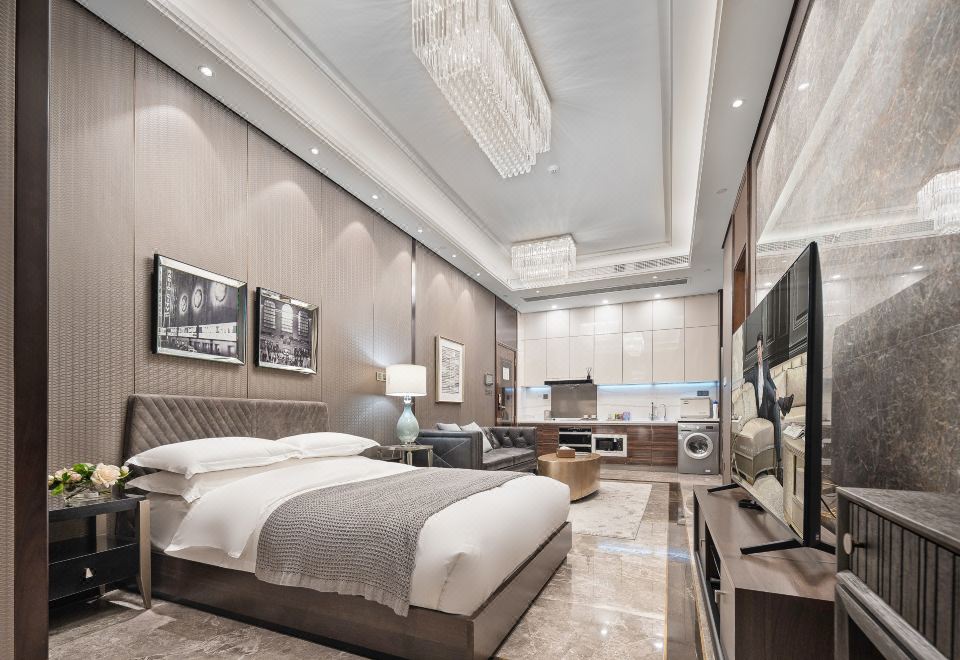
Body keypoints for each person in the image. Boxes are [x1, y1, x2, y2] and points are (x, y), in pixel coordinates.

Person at [744, 333, 794, 477]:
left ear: (763, 349)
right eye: (757, 348)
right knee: (765, 384)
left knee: (776, 411)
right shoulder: (753, 371)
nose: (758, 351)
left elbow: (770, 380)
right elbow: (744, 380)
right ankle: (784, 403)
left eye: (760, 347)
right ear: (756, 351)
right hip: (762, 410)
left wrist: (776, 390)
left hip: (770, 405)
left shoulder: (766, 365)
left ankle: (779, 464)